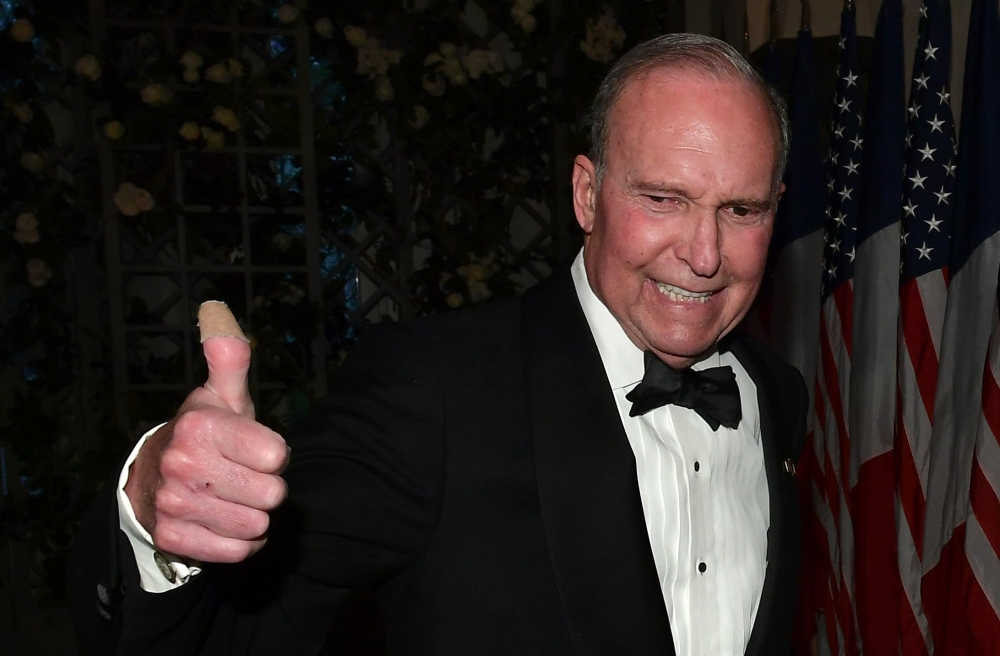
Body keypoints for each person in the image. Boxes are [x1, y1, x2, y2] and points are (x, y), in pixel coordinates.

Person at [68, 33, 806, 656]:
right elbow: (234, 629)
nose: (705, 254)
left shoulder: (774, 392)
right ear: (587, 194)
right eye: (662, 199)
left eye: (740, 210)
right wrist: (159, 508)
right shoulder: (437, 391)